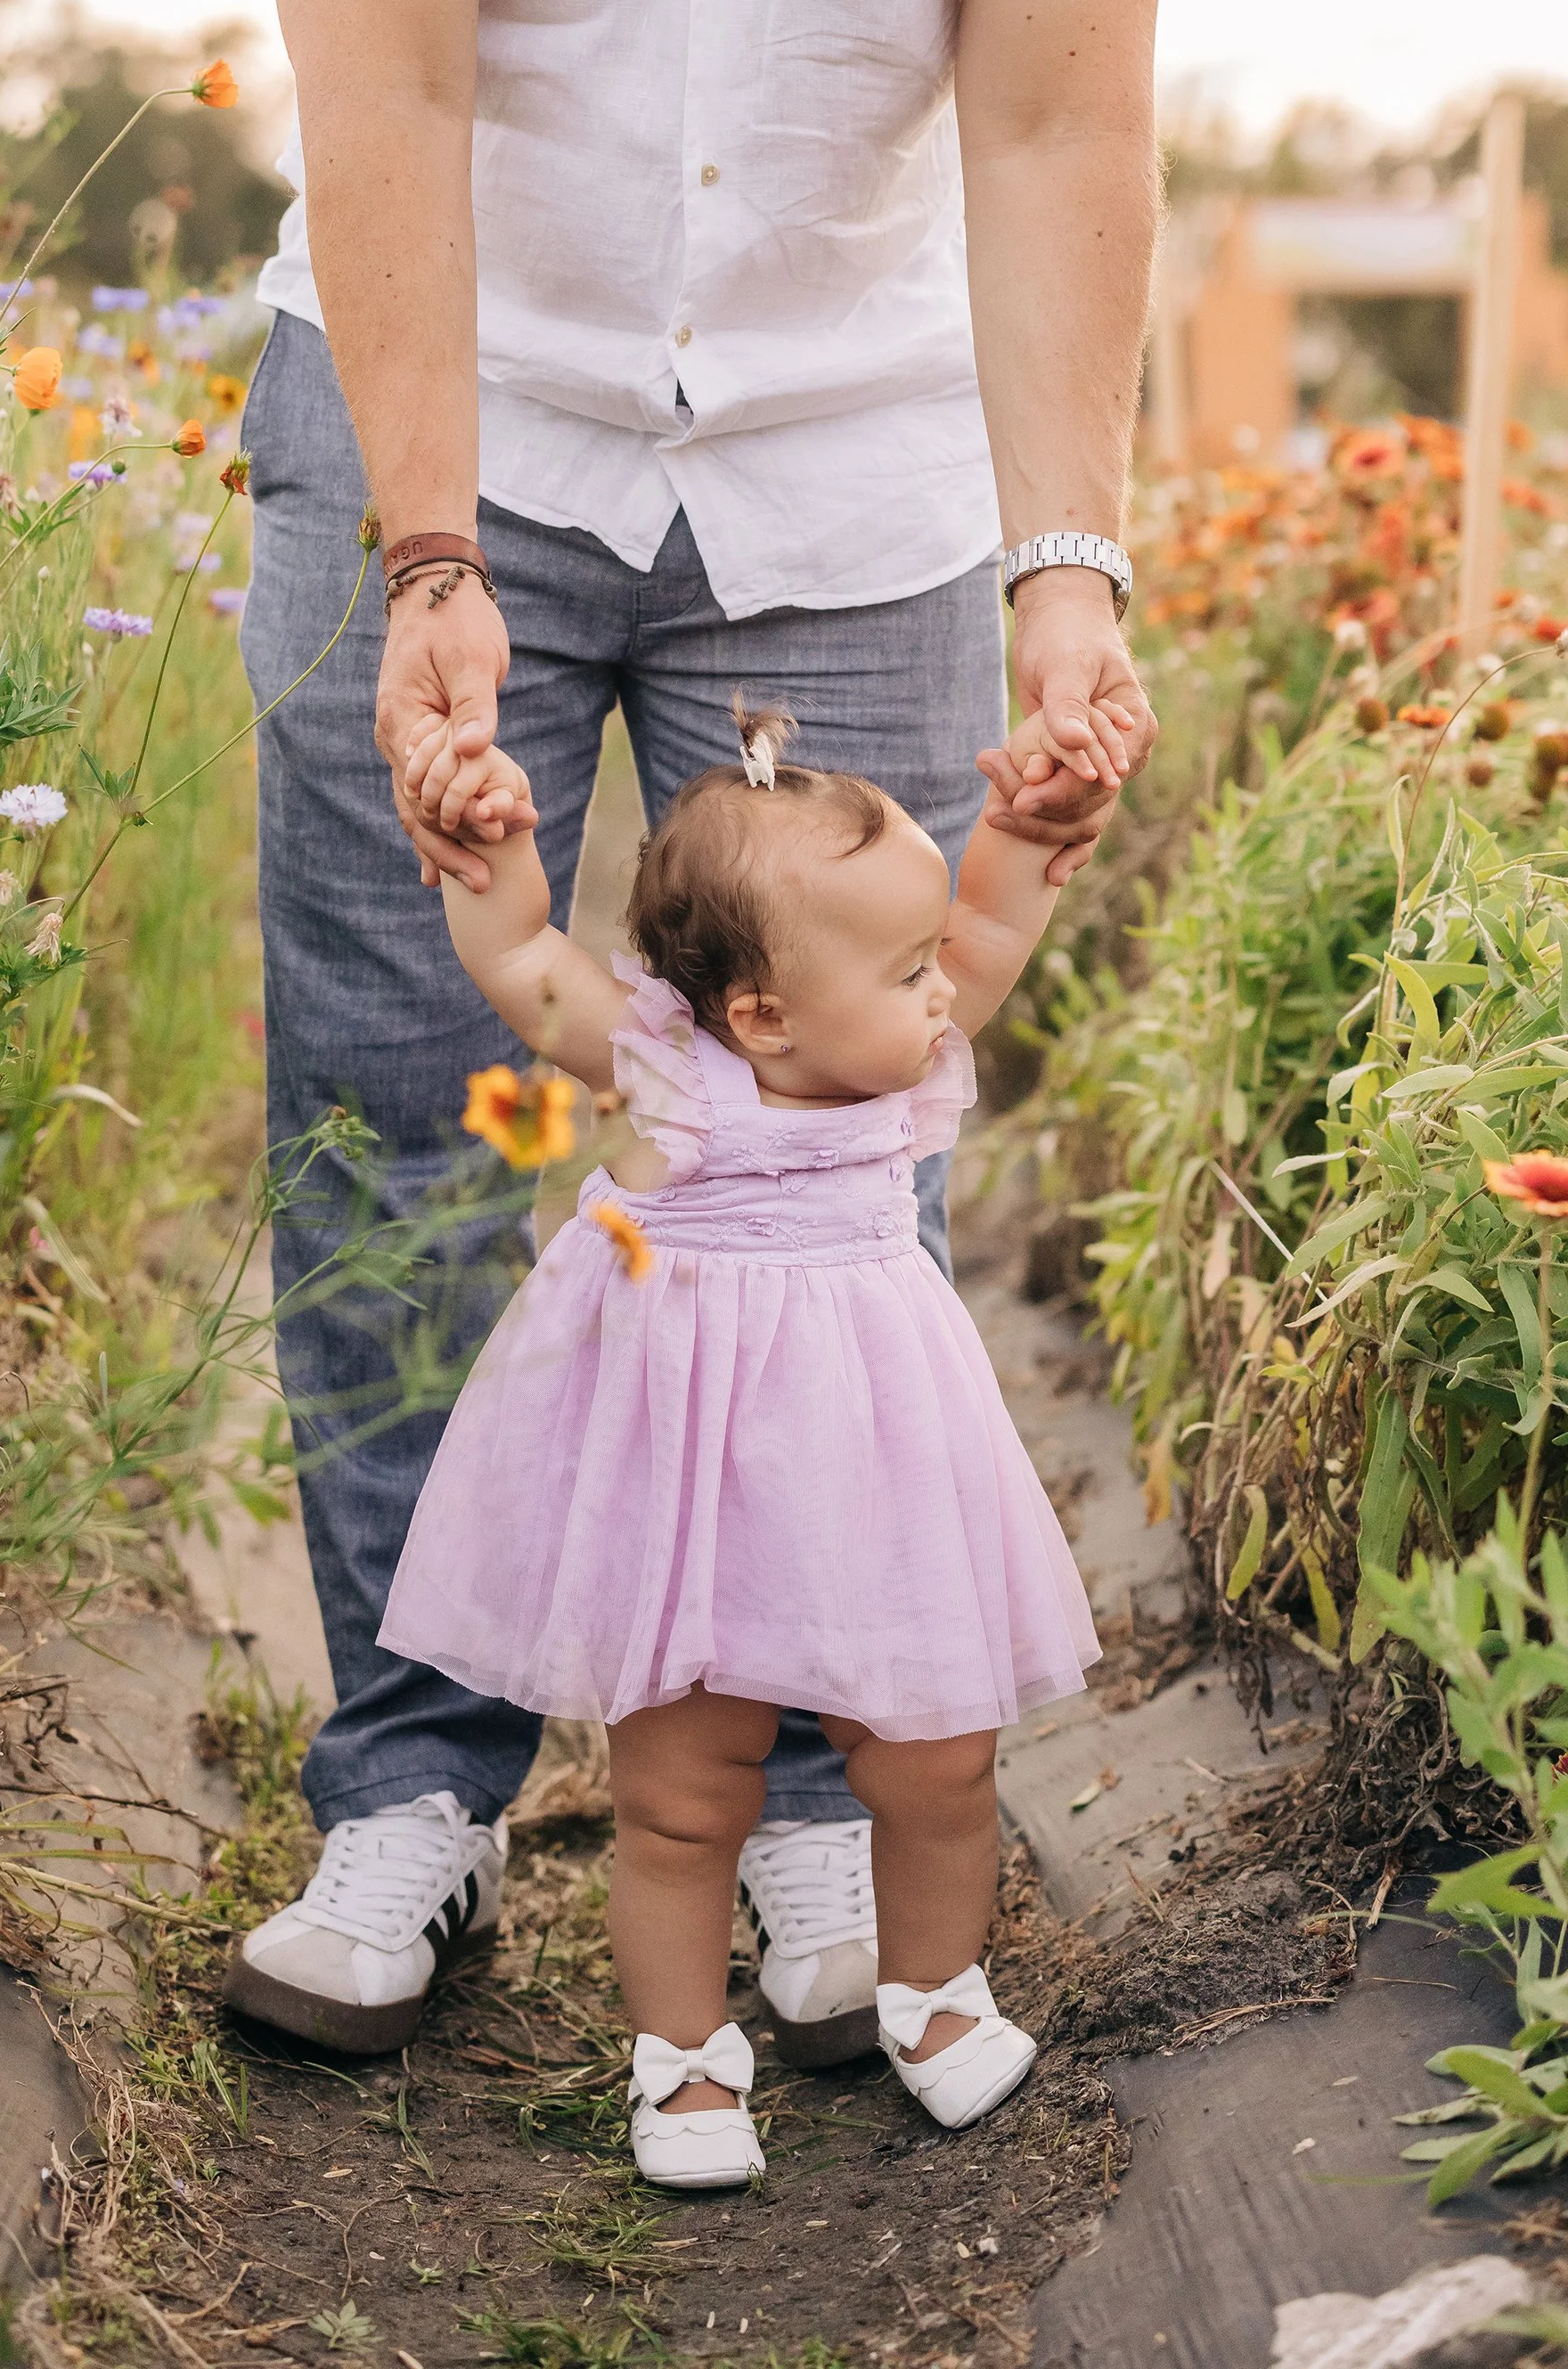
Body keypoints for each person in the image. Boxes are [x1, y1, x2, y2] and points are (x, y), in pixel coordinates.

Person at [217, 0, 1196, 2063]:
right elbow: (379, 79)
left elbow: (1050, 121)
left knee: (835, 1170)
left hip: (858, 439)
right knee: (402, 1107)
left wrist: (1069, 559)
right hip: (448, 395)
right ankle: (407, 1787)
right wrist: (417, 538)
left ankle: (799, 1803)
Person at [375, 699, 1100, 2185]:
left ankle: (937, 2000)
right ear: (763, 1015)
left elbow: (989, 942)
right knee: (683, 1792)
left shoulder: (902, 1065)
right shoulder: (670, 1076)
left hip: (876, 1471)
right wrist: (494, 848)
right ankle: (687, 2063)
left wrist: (1020, 841)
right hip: (688, 1491)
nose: (945, 991)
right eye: (908, 970)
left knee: (936, 1757)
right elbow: (526, 966)